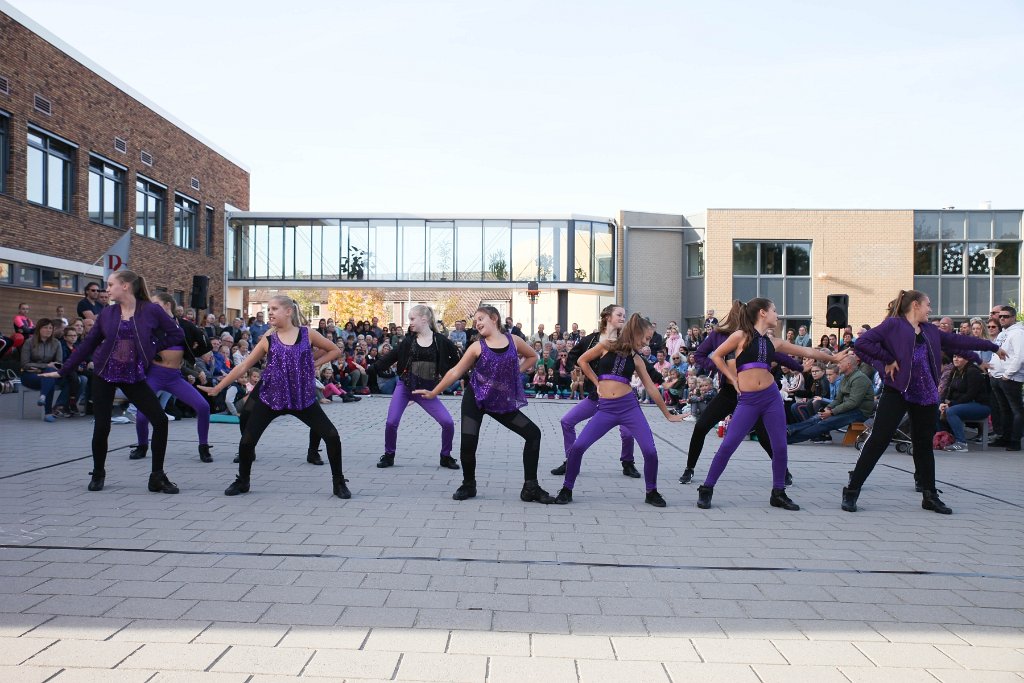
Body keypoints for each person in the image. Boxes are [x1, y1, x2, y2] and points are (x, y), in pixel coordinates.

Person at [844, 289, 1003, 514]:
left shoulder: (930, 330)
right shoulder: (893, 325)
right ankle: (852, 490)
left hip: (926, 393)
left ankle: (929, 495)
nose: (931, 309)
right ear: (916, 305)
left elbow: (957, 342)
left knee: (923, 445)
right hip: (897, 391)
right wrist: (887, 359)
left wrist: (989, 350)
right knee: (879, 439)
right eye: (928, 304)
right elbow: (862, 343)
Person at [42, 270, 184, 493]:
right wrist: (64, 371)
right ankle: (98, 473)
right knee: (102, 426)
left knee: (160, 421)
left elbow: (176, 335)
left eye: (110, 284)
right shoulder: (108, 314)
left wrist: (152, 347)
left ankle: (157, 476)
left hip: (133, 374)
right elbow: (87, 345)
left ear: (125, 286)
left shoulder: (151, 310)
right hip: (104, 373)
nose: (106, 289)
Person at [697, 298, 844, 511]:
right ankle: (707, 488)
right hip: (748, 401)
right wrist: (733, 377)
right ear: (763, 313)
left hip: (771, 397)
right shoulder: (740, 336)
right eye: (774, 310)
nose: (777, 314)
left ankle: (778, 492)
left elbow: (809, 352)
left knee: (780, 445)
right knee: (729, 444)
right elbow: (717, 356)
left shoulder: (774, 343)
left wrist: (836, 358)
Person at [200, 295, 350, 499]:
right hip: (271, 398)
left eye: (274, 309)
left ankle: (338, 482)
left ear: (288, 311)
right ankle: (243, 481)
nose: (270, 312)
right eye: (268, 309)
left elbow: (334, 350)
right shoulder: (268, 339)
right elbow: (243, 365)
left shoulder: (307, 334)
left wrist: (312, 364)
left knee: (332, 435)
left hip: (301, 399)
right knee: (247, 441)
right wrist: (218, 388)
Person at [413, 305, 555, 504]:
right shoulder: (477, 347)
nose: (477, 323)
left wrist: (517, 372)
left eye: (481, 318)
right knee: (468, 443)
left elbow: (533, 356)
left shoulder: (514, 341)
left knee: (533, 434)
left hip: (500, 402)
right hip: (476, 399)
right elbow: (455, 372)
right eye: (475, 321)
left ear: (494, 318)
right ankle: (469, 484)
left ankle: (530, 487)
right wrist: (434, 391)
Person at [556, 314, 682, 506]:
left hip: (629, 407)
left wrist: (667, 414)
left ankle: (651, 491)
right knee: (579, 447)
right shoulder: (607, 345)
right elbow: (582, 360)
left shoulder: (636, 358)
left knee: (650, 451)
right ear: (637, 332)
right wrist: (597, 382)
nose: (648, 343)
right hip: (606, 408)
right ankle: (567, 488)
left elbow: (650, 387)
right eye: (646, 338)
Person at [679, 301, 803, 486]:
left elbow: (776, 353)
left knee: (763, 435)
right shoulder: (719, 335)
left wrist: (799, 367)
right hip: (730, 391)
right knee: (702, 426)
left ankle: (783, 471)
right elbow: (700, 355)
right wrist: (724, 369)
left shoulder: (755, 337)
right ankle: (689, 468)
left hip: (753, 393)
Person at [551, 305, 644, 479]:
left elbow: (640, 362)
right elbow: (575, 355)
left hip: (621, 398)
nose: (623, 318)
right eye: (619, 314)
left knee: (627, 431)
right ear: (608, 317)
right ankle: (571, 460)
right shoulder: (591, 340)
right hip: (597, 395)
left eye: (624, 315)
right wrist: (576, 371)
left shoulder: (626, 341)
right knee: (567, 421)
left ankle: (628, 463)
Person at [372, 305, 461, 469]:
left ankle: (445, 456)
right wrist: (373, 368)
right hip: (405, 388)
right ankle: (389, 455)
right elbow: (391, 357)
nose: (410, 323)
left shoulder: (440, 341)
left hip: (427, 392)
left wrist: (470, 378)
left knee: (448, 423)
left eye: (412, 319)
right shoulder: (408, 341)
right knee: (391, 422)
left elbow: (458, 363)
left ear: (424, 319)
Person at [129, 292, 214, 464]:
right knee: (142, 415)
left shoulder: (184, 326)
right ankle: (142, 446)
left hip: (174, 377)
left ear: (167, 305)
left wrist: (192, 368)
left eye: (155, 303)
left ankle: (203, 447)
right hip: (154, 375)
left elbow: (204, 347)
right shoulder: (150, 325)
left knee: (203, 407)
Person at [786, 354, 874, 444]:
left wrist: (832, 412)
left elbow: (853, 402)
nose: (838, 365)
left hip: (860, 412)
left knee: (824, 422)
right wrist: (828, 408)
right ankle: (789, 430)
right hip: (849, 409)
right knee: (817, 418)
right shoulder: (845, 378)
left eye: (840, 363)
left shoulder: (859, 378)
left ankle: (788, 439)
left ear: (848, 364)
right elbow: (838, 399)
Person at [988, 305, 1024, 451]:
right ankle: (1006, 437)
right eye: (1000, 316)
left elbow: (1020, 357)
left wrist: (1007, 374)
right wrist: (991, 369)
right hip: (997, 377)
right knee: (1004, 410)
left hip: (1010, 378)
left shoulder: (1017, 333)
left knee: (1016, 410)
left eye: (1006, 316)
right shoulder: (1004, 333)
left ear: (1014, 318)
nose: (1002, 318)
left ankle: (1015, 441)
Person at [940, 354, 991, 452]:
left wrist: (950, 404)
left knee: (951, 411)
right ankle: (943, 438)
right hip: (962, 404)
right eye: (954, 356)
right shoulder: (955, 371)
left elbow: (970, 395)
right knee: (937, 408)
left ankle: (961, 443)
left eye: (959, 357)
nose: (955, 359)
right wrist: (943, 402)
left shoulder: (973, 371)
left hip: (980, 405)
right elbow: (948, 390)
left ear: (967, 359)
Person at [20, 319, 65, 422]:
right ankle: (48, 412)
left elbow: (59, 364)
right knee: (49, 376)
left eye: (50, 328)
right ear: (39, 329)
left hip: (46, 374)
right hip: (30, 375)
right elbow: (24, 364)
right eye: (45, 327)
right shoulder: (29, 342)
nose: (48, 330)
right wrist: (45, 366)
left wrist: (47, 367)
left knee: (49, 375)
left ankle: (43, 396)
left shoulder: (56, 343)